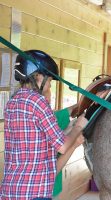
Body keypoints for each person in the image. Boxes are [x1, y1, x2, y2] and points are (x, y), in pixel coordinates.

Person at [0, 50, 88, 200]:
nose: (49, 86)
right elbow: (63, 146)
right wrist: (79, 126)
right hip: (34, 192)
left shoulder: (12, 103)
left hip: (10, 191)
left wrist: (72, 122)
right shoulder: (38, 102)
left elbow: (37, 146)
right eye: (49, 81)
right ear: (38, 76)